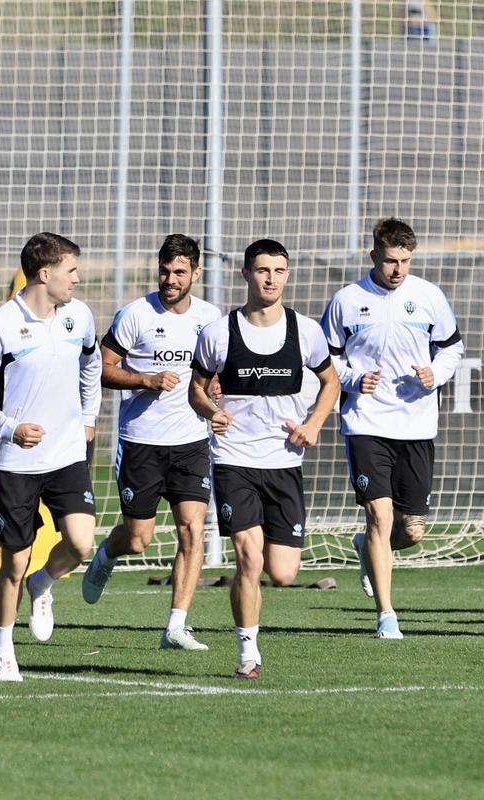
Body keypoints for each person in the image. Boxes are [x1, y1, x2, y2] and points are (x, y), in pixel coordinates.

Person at [188, 239, 339, 679]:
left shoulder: (305, 331)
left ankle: (250, 630)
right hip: (234, 460)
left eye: (278, 271)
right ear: (246, 274)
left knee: (283, 572)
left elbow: (330, 382)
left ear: (287, 275)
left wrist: (313, 425)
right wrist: (212, 411)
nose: (270, 279)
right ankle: (247, 652)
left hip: (285, 462)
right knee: (248, 558)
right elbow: (196, 389)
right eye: (262, 270)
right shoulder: (219, 332)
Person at [0, 232, 101, 682]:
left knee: (80, 543)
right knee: (14, 563)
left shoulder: (79, 316)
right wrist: (10, 428)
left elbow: (92, 364)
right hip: (16, 464)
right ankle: (2, 649)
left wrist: (89, 417)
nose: (76, 279)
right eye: (70, 271)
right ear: (45, 274)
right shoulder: (1, 325)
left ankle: (45, 582)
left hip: (67, 456)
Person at [320, 218, 462, 639]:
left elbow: (452, 348)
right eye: (390, 261)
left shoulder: (429, 297)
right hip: (366, 422)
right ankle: (386, 616)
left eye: (405, 261)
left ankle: (365, 548)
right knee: (380, 517)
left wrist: (435, 374)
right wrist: (352, 378)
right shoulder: (347, 300)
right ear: (373, 256)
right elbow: (326, 359)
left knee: (411, 531)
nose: (397, 269)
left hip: (417, 424)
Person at [81, 234, 222, 651]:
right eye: (164, 271)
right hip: (141, 442)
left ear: (196, 273)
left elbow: (215, 370)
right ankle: (107, 554)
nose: (170, 279)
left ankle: (176, 626)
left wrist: (215, 389)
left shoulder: (211, 318)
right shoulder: (135, 315)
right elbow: (101, 369)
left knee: (192, 531)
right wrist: (146, 379)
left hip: (192, 441)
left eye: (179, 272)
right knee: (139, 538)